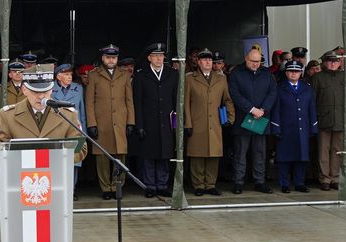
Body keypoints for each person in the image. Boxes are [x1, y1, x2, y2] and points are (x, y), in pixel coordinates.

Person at [0, 66, 88, 162]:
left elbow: (81, 148)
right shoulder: (9, 115)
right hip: (22, 171)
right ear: (24, 90)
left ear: (51, 90)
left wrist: (53, 157)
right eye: (35, 92)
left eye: (45, 91)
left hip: (55, 170)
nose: (40, 96)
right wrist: (14, 154)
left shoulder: (67, 115)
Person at [84, 44, 135, 200]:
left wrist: (130, 122)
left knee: (120, 155)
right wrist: (91, 123)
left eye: (113, 57)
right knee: (102, 157)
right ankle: (106, 188)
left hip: (120, 121)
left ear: (117, 59)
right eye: (108, 57)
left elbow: (129, 100)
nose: (111, 60)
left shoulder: (124, 74)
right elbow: (89, 102)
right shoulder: (93, 74)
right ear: (103, 58)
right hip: (102, 122)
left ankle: (117, 186)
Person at [183, 49, 234, 195]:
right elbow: (185, 103)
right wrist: (187, 123)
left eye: (210, 60)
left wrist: (230, 118)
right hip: (197, 122)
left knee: (214, 154)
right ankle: (198, 185)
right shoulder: (190, 78)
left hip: (215, 123)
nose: (208, 62)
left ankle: (210, 184)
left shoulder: (221, 78)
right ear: (198, 62)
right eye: (204, 60)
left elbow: (227, 100)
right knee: (197, 155)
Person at [132, 42, 178, 198]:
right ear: (149, 58)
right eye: (155, 56)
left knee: (165, 154)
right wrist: (139, 125)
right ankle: (150, 185)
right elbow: (137, 102)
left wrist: (175, 124)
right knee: (149, 155)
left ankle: (162, 185)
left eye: (161, 56)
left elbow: (176, 100)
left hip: (166, 121)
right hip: (148, 121)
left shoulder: (172, 74)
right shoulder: (141, 75)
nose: (159, 59)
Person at [228, 46, 276, 194]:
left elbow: (272, 93)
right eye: (252, 61)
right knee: (240, 153)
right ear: (246, 59)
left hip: (261, 118)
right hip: (243, 119)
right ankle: (238, 182)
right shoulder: (236, 73)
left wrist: (263, 109)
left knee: (260, 153)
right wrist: (251, 109)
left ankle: (259, 182)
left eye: (258, 61)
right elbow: (235, 94)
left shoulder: (267, 74)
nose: (255, 64)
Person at [270, 60, 317, 193]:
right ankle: (284, 184)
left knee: (301, 157)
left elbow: (312, 109)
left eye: (296, 71)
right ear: (286, 73)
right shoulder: (279, 88)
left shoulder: (307, 88)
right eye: (291, 71)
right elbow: (276, 110)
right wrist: (276, 128)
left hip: (302, 128)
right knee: (284, 158)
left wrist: (313, 127)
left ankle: (299, 183)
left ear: (301, 73)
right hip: (286, 129)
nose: (293, 74)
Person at [310, 51, 346, 191]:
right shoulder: (317, 78)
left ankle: (335, 178)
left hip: (340, 119)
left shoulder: (345, 76)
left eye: (335, 61)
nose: (332, 63)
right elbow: (312, 100)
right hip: (323, 119)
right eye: (329, 61)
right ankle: (325, 179)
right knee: (323, 151)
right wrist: (314, 119)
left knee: (337, 150)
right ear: (324, 62)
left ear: (339, 62)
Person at [51, 63, 86, 198]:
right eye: (66, 74)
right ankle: (58, 190)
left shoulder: (78, 88)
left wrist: (84, 132)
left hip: (73, 129)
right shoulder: (50, 89)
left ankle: (71, 190)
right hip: (56, 130)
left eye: (70, 74)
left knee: (73, 160)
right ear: (58, 76)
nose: (70, 77)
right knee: (57, 161)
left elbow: (81, 111)